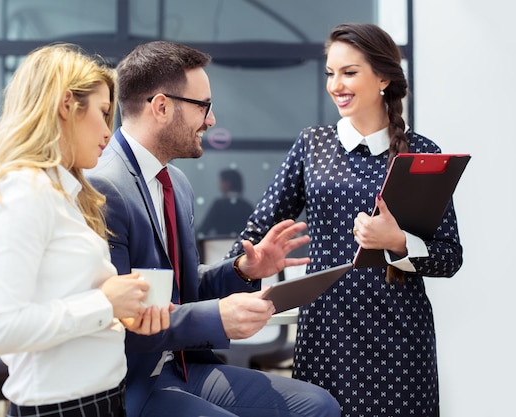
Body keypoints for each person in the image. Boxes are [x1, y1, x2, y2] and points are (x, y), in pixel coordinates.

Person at [85, 40, 340, 417]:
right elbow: (124, 318)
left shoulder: (178, 185)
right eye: (203, 106)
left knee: (318, 406)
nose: (211, 120)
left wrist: (242, 270)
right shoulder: (105, 186)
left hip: (181, 365)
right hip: (132, 379)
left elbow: (180, 289)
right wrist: (217, 316)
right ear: (161, 106)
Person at [226, 23, 463, 417]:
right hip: (327, 336)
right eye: (330, 73)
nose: (336, 84)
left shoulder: (422, 153)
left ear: (384, 77)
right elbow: (255, 234)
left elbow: (449, 256)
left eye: (349, 72)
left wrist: (397, 242)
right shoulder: (312, 145)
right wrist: (245, 264)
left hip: (399, 338)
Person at [0, 43, 171, 417]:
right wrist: (105, 303)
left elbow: (60, 301)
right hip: (61, 407)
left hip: (102, 397)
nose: (109, 131)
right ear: (66, 104)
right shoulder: (24, 191)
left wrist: (120, 312)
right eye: (103, 113)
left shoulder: (65, 195)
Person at [197, 168, 255, 238]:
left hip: (221, 246)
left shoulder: (219, 205)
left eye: (221, 181)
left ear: (227, 183)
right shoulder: (246, 206)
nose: (219, 184)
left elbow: (204, 229)